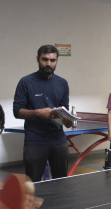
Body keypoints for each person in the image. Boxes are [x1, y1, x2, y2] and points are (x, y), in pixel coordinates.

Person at [13, 44, 73, 182]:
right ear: (37, 59)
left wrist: (68, 121)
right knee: (32, 183)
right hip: (35, 139)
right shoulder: (26, 82)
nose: (48, 63)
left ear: (57, 60)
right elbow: (17, 112)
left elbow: (65, 111)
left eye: (52, 60)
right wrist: (38, 112)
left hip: (58, 138)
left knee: (61, 181)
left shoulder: (62, 83)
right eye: (44, 59)